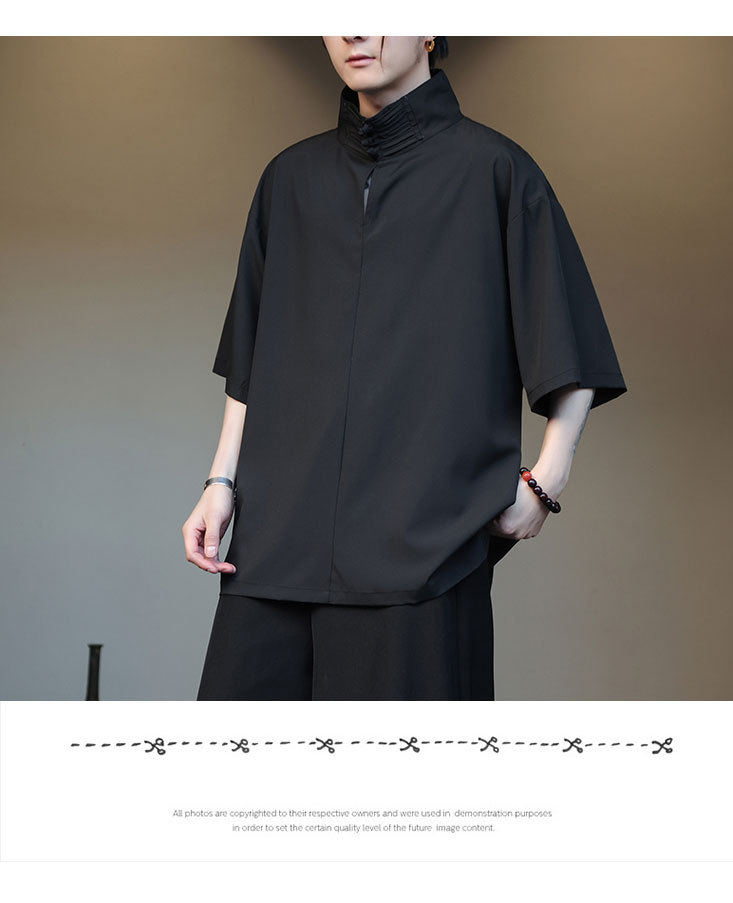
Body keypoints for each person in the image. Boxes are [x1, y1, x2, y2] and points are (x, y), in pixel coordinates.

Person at [182, 36, 627, 701]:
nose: (355, 30)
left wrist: (546, 481)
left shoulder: (497, 171)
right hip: (274, 540)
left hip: (425, 549)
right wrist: (221, 481)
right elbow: (251, 359)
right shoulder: (288, 179)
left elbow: (567, 337)